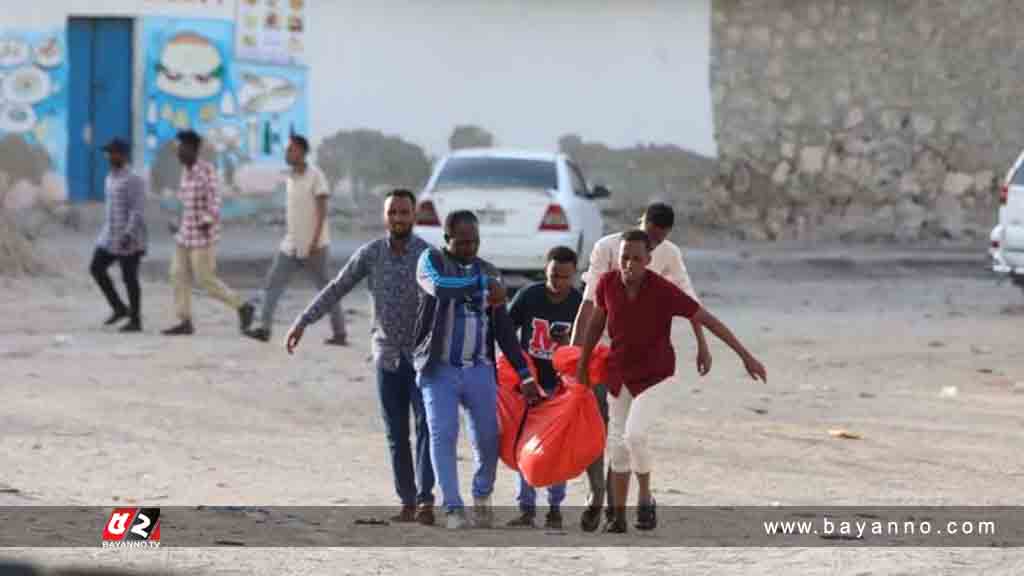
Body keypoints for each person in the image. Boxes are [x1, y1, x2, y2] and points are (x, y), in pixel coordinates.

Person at [576, 229, 767, 533]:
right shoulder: (607, 284)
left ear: (648, 261)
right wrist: (583, 362)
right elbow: (596, 322)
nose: (629, 265)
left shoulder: (663, 290)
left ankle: (645, 497)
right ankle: (619, 517)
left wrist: (745, 355)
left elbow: (706, 318)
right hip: (619, 374)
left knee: (635, 435)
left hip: (656, 375)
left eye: (637, 259)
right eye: (625, 258)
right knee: (618, 446)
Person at [285, 189, 437, 525]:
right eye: (392, 212)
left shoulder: (429, 256)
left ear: (414, 216)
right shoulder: (371, 254)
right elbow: (337, 287)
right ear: (385, 217)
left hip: (423, 358)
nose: (398, 218)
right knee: (396, 434)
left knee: (427, 427)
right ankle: (407, 502)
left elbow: (450, 300)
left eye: (404, 212)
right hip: (386, 359)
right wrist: (303, 321)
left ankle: (427, 500)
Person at [570, 201, 711, 532]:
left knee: (626, 434)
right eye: (648, 233)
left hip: (644, 356)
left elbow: (689, 301)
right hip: (604, 350)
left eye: (658, 240)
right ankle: (597, 496)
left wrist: (702, 343)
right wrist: (575, 354)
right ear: (640, 222)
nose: (651, 243)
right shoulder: (607, 247)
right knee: (601, 427)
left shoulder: (669, 255)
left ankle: (621, 508)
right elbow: (589, 303)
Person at [413, 210, 535, 530]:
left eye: (475, 241)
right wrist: (482, 284)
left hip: (480, 368)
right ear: (447, 239)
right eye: (463, 241)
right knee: (443, 434)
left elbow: (504, 327)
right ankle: (452, 507)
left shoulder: (489, 271)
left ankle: (482, 493)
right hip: (438, 368)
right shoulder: (431, 262)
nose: (470, 247)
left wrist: (524, 372)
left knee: (488, 437)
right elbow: (440, 288)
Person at [504, 246, 583, 530]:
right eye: (553, 275)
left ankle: (555, 507)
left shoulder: (579, 303)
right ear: (545, 270)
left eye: (564, 277)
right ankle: (526, 509)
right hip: (530, 384)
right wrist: (519, 374)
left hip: (561, 387)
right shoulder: (530, 295)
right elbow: (505, 332)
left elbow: (587, 347)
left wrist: (567, 345)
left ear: (573, 275)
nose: (557, 282)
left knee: (555, 449)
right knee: (525, 446)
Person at [245, 134, 346, 345]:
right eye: (287, 150)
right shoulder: (290, 177)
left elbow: (321, 212)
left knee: (326, 290)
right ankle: (264, 328)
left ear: (301, 151)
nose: (287, 153)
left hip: (314, 247)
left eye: (290, 149)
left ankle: (340, 333)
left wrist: (315, 242)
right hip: (290, 245)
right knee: (273, 283)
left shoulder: (316, 176)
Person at [161, 130, 254, 336]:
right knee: (177, 275)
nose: (179, 152)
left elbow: (215, 201)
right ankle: (185, 320)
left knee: (205, 280)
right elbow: (186, 204)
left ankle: (242, 306)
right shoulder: (185, 172)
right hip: (185, 234)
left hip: (203, 237)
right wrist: (176, 222)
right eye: (178, 148)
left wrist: (207, 220)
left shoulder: (207, 171)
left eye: (182, 148)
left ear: (193, 149)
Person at [90, 138, 147, 333]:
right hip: (110, 235)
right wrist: (106, 234)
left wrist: (129, 233)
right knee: (96, 268)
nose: (110, 156)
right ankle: (119, 308)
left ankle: (136, 320)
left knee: (129, 278)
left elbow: (137, 210)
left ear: (123, 155)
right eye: (108, 153)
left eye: (114, 153)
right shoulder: (110, 177)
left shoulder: (134, 179)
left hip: (129, 238)